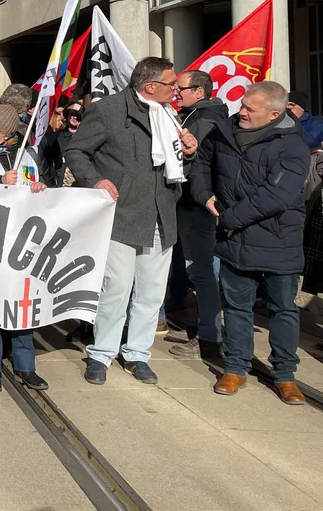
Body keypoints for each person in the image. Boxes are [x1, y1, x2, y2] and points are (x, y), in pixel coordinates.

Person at [67, 58, 198, 386]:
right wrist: (95, 180)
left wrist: (189, 152)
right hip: (121, 215)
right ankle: (101, 353)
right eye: (171, 84)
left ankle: (138, 353)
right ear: (150, 86)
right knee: (116, 289)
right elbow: (77, 151)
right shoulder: (108, 110)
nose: (176, 91)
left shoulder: (169, 114)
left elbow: (174, 163)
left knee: (151, 293)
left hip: (161, 215)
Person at [191, 81, 310, 404]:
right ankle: (235, 368)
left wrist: (229, 220)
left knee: (283, 310)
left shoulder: (293, 146)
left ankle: (285, 374)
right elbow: (201, 163)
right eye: (242, 104)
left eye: (249, 108)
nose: (240, 112)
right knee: (236, 308)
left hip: (278, 242)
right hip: (235, 243)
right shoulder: (224, 131)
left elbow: (277, 195)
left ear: (274, 114)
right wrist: (205, 196)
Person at [0, 103, 50, 392]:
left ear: (5, 131)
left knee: (22, 303)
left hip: (23, 244)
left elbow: (51, 187)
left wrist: (42, 187)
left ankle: (26, 365)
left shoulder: (31, 155)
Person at [163, 70, 228, 363]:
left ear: (199, 91)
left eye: (181, 88)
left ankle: (209, 338)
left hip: (196, 206)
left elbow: (196, 165)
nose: (176, 92)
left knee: (203, 272)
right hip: (190, 204)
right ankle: (205, 330)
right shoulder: (194, 116)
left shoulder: (205, 121)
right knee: (199, 271)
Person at [41, 104, 83, 188]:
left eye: (78, 115)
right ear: (67, 115)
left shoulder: (87, 138)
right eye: (72, 114)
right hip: (60, 183)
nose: (74, 117)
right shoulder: (56, 136)